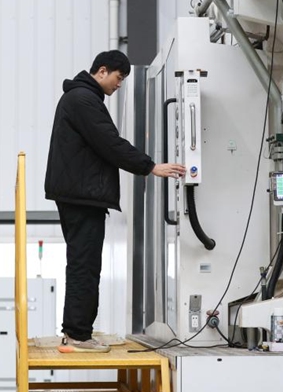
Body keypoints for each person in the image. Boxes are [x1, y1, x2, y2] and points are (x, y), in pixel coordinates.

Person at [44, 50, 186, 352]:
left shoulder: (81, 98)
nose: (119, 85)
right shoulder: (83, 99)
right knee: (85, 265)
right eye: (119, 78)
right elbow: (110, 143)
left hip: (79, 195)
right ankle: (79, 335)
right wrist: (150, 167)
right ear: (102, 71)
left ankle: (75, 330)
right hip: (82, 197)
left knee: (83, 263)